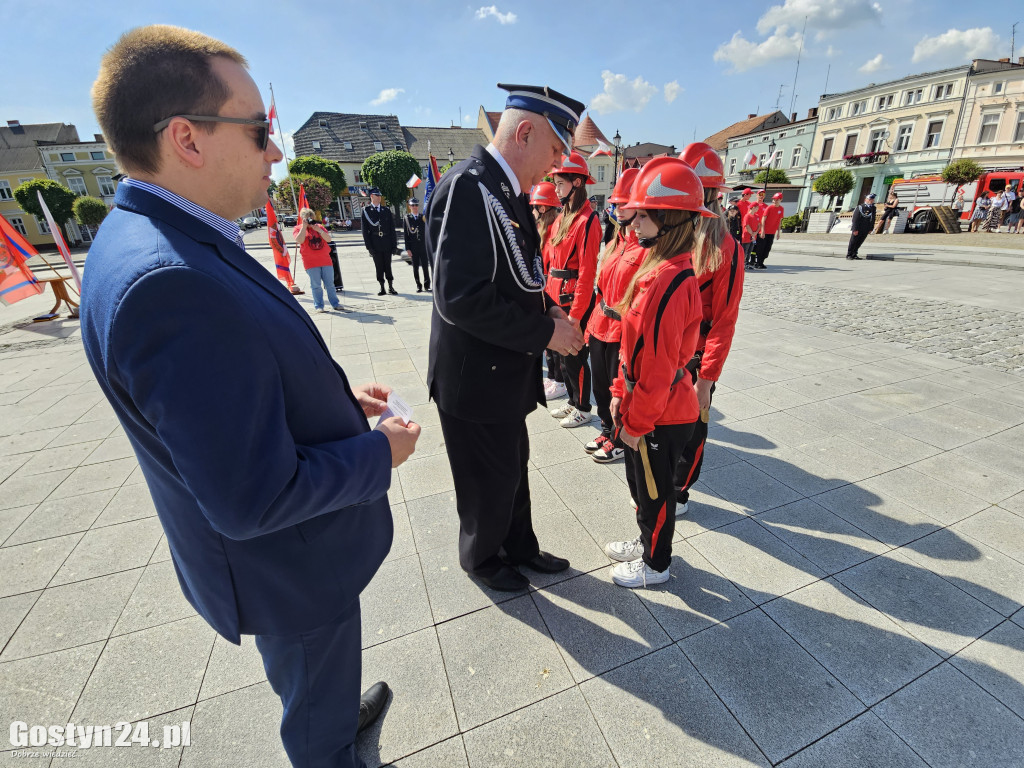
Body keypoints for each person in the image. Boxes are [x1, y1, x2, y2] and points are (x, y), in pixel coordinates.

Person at [81, 25, 421, 768]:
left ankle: (327, 712)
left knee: (312, 676)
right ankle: (328, 744)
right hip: (288, 567)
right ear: (187, 139)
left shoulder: (148, 234)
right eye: (260, 129)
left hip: (281, 566)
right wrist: (379, 454)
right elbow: (251, 500)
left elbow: (233, 388)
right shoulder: (171, 281)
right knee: (315, 703)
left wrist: (329, 401)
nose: (276, 152)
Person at [426, 83, 583, 592]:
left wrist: (551, 308)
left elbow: (522, 275)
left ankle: (520, 546)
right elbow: (459, 297)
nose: (557, 165)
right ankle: (483, 558)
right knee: (485, 479)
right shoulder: (467, 187)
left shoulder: (503, 190)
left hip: (503, 370)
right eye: (557, 149)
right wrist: (544, 334)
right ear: (526, 130)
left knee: (512, 467)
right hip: (475, 377)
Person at [603, 157, 711, 588]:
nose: (634, 223)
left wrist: (637, 421)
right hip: (646, 402)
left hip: (662, 411)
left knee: (655, 492)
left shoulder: (669, 278)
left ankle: (656, 564)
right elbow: (633, 350)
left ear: (668, 218)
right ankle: (646, 540)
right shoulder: (658, 269)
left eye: (644, 215)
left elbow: (660, 366)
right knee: (642, 489)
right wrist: (618, 392)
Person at [673, 143, 745, 513]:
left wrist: (706, 378)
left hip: (696, 357)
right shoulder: (674, 235)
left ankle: (679, 492)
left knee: (692, 428)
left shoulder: (726, 247)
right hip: (667, 350)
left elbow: (725, 319)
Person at [584, 167, 644, 464]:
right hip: (600, 323)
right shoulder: (615, 241)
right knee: (600, 387)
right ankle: (607, 430)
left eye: (623, 204)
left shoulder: (646, 248)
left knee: (616, 387)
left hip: (623, 329)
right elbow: (600, 287)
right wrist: (590, 325)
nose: (616, 209)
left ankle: (618, 438)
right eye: (615, 204)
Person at [545, 151, 602, 428]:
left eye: (560, 183)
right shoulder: (563, 216)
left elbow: (587, 272)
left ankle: (583, 406)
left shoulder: (588, 220)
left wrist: (577, 315)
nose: (556, 188)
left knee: (576, 356)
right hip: (556, 294)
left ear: (577, 183)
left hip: (572, 298)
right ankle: (571, 401)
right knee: (560, 355)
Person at [531, 181, 566, 400]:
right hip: (544, 286)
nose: (532, 211)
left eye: (535, 207)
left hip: (551, 287)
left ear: (543, 209)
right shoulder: (541, 229)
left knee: (554, 339)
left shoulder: (553, 230)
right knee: (547, 342)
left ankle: (559, 381)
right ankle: (553, 377)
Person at [294, 208, 340, 312]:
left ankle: (335, 304)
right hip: (310, 262)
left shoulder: (319, 227)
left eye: (311, 218)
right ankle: (319, 306)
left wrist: (318, 230)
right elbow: (299, 240)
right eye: (307, 219)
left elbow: (329, 239)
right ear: (303, 219)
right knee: (316, 286)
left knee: (330, 284)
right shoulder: (298, 228)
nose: (310, 221)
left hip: (325, 260)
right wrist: (304, 227)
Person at [362, 187, 398, 295]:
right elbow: (365, 231)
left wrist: (394, 245)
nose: (379, 197)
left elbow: (392, 229)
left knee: (388, 265)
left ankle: (391, 286)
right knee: (379, 266)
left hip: (387, 241)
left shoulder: (386, 210)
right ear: (372, 196)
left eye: (380, 195)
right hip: (375, 243)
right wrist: (369, 247)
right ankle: (382, 287)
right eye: (377, 195)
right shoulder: (367, 211)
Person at [402, 197, 430, 292]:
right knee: (415, 267)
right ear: (409, 206)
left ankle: (427, 285)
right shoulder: (407, 218)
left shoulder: (423, 217)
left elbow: (427, 232)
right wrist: (408, 249)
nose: (415, 207)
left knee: (425, 266)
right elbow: (406, 235)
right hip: (413, 247)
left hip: (423, 246)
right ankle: (418, 285)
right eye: (412, 205)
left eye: (416, 205)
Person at [754, 192, 784, 269]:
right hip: (764, 232)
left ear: (780, 200)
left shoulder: (781, 209)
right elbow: (763, 219)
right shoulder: (769, 208)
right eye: (774, 199)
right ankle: (758, 263)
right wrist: (762, 231)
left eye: (777, 200)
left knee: (767, 248)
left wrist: (778, 232)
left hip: (772, 232)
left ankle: (761, 262)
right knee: (761, 248)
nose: (775, 201)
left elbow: (779, 221)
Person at [847, 192, 876, 260]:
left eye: (872, 199)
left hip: (866, 228)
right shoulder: (860, 207)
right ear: (866, 200)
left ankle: (854, 254)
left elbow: (873, 219)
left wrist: (871, 228)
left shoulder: (873, 208)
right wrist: (855, 229)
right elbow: (855, 219)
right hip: (858, 227)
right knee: (853, 241)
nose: (871, 201)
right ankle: (849, 254)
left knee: (860, 241)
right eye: (870, 199)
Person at [741, 201, 761, 269]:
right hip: (747, 236)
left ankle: (746, 263)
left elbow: (759, 225)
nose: (757, 209)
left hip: (753, 237)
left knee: (750, 251)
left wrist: (755, 233)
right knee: (745, 251)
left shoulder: (757, 216)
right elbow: (747, 226)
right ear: (752, 208)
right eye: (756, 207)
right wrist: (752, 233)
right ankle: (742, 263)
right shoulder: (747, 216)